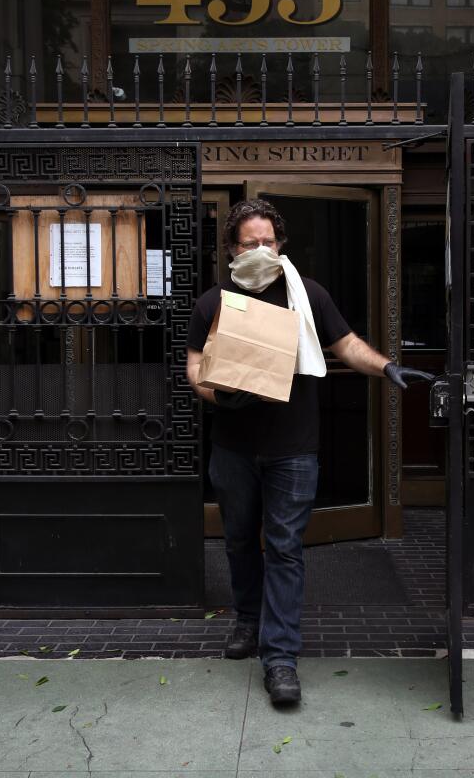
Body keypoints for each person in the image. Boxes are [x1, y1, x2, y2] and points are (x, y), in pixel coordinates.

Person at [185, 198, 433, 705]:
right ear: (233, 248)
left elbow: (346, 345)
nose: (260, 250)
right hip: (233, 448)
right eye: (249, 243)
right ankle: (248, 620)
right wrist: (220, 393)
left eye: (268, 242)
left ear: (281, 245)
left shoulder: (307, 295)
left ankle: (279, 658)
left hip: (294, 449)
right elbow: (194, 367)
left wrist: (388, 368)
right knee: (237, 541)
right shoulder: (214, 300)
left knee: (283, 548)